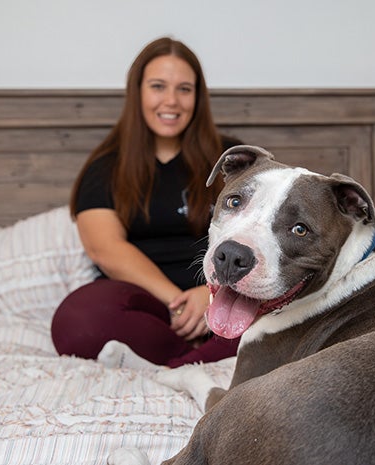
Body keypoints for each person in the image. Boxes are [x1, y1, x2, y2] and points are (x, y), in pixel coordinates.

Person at [51, 37, 241, 369]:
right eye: (158, 86)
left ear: (198, 97)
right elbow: (104, 249)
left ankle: (173, 362)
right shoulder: (106, 167)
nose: (171, 100)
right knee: (77, 320)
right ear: (137, 91)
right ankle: (201, 357)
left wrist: (211, 296)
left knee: (287, 313)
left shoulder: (230, 159)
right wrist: (179, 305)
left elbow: (261, 232)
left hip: (225, 297)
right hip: (148, 306)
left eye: (184, 89)